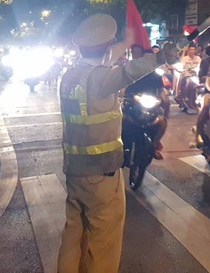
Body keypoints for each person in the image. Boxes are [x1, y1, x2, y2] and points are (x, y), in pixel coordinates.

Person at [58, 14, 177, 273]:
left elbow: (109, 63)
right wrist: (160, 57)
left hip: (75, 173)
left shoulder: (70, 76)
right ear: (106, 46)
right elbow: (127, 72)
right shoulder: (100, 78)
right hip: (100, 176)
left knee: (73, 237)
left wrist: (125, 42)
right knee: (103, 244)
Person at [123, 44, 169, 159]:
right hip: (132, 103)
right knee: (121, 118)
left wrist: (164, 99)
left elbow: (161, 89)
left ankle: (153, 146)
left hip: (150, 104)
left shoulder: (155, 75)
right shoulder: (130, 71)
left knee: (162, 122)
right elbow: (123, 88)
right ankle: (122, 147)